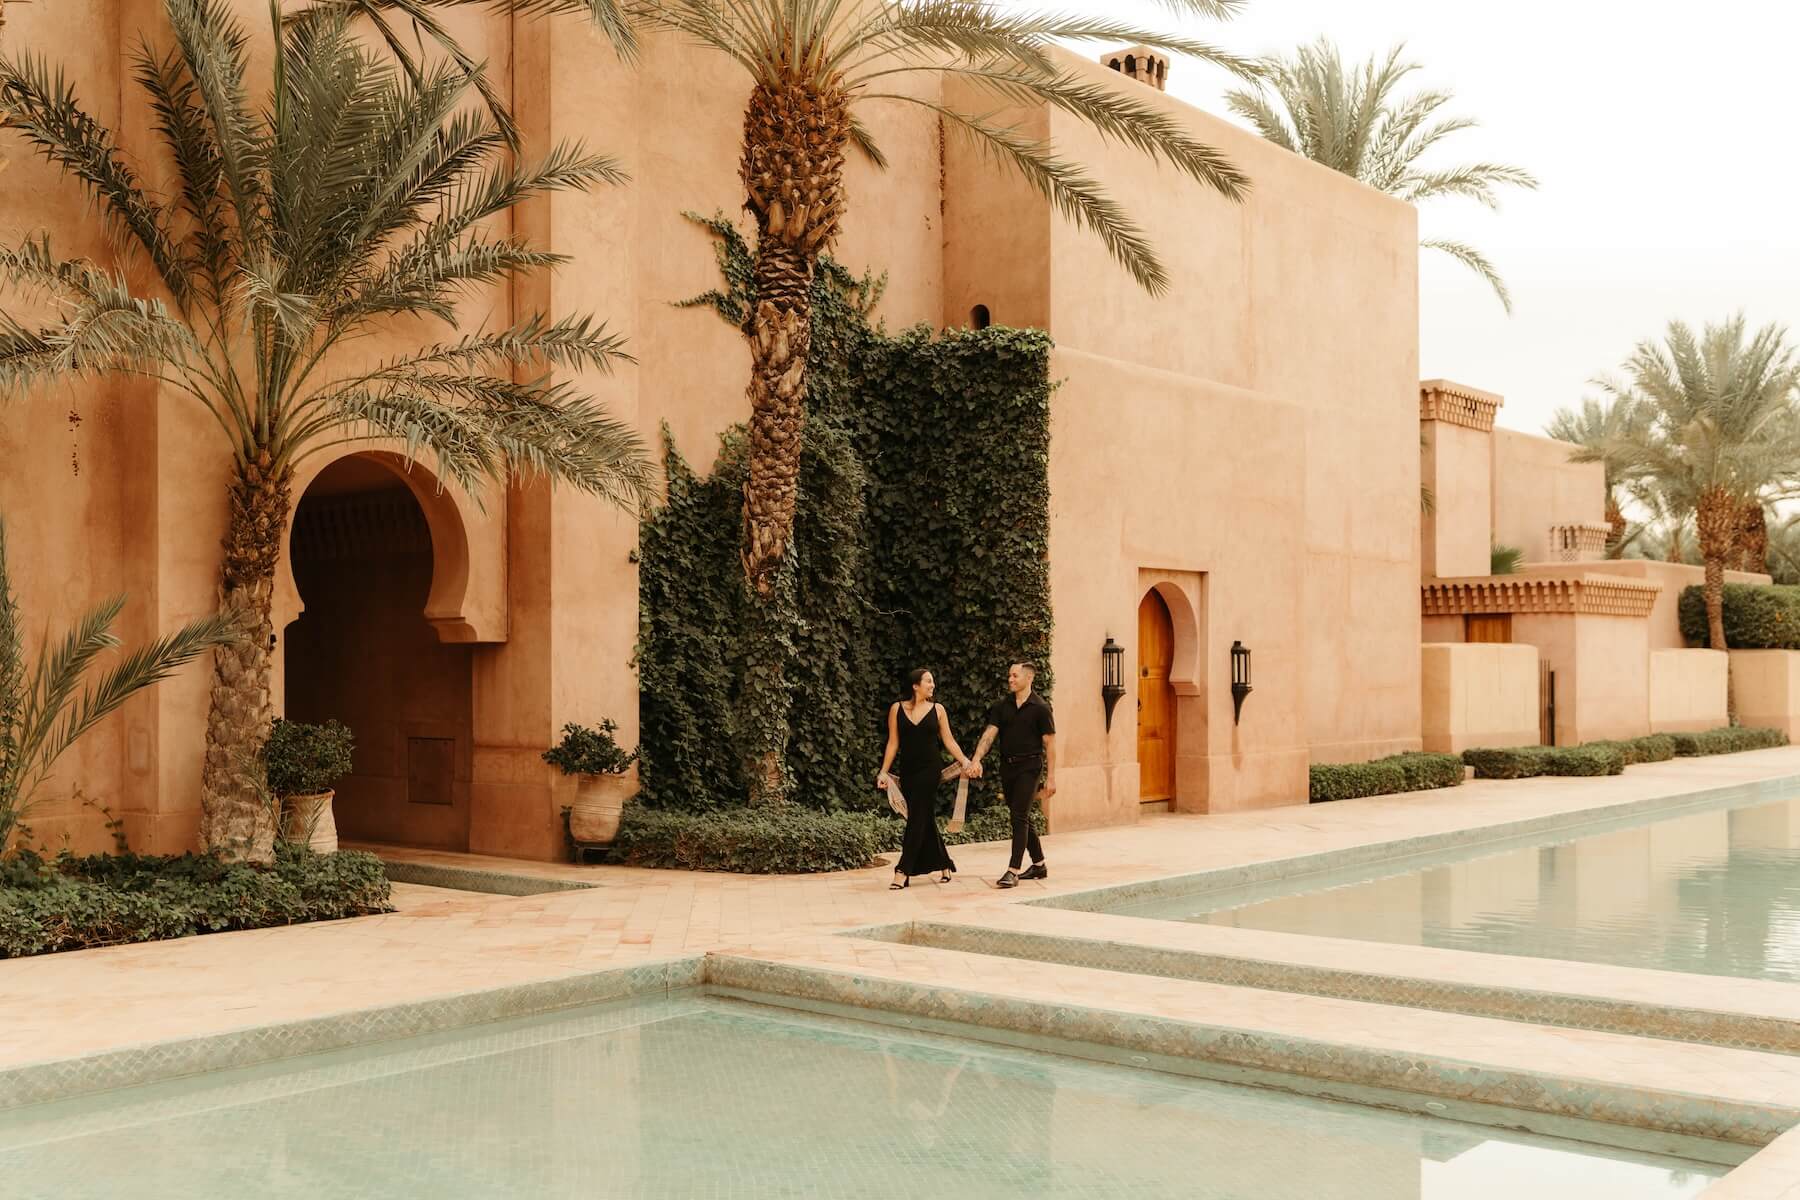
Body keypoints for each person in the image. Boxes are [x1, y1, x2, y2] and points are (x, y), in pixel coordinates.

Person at [877, 668, 972, 889]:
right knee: (923, 817)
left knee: (916, 817)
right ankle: (944, 863)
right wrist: (883, 771)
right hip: (908, 771)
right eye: (928, 681)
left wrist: (965, 761)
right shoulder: (897, 709)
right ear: (915, 686)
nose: (933, 685)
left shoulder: (938, 710)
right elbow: (893, 742)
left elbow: (949, 741)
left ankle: (902, 870)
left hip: (930, 770)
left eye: (933, 681)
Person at [967, 662, 1055, 888]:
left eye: (1015, 676)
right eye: (1009, 676)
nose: (1010, 679)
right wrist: (976, 758)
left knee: (1019, 815)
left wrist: (1051, 777)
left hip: (1030, 767)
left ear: (1029, 678)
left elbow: (1050, 744)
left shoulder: (1041, 708)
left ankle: (1012, 871)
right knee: (1021, 814)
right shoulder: (1002, 706)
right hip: (1008, 768)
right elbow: (989, 734)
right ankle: (1039, 865)